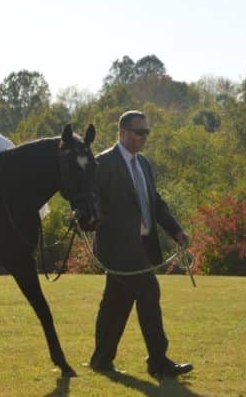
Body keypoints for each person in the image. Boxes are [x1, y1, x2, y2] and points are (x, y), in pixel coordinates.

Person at [89, 110, 193, 379]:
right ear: (122, 132)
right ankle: (158, 362)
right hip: (116, 247)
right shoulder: (103, 163)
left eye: (146, 132)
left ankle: (101, 359)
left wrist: (177, 231)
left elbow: (155, 203)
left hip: (141, 246)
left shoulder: (143, 164)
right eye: (139, 132)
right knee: (148, 290)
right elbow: (91, 201)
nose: (144, 137)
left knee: (117, 301)